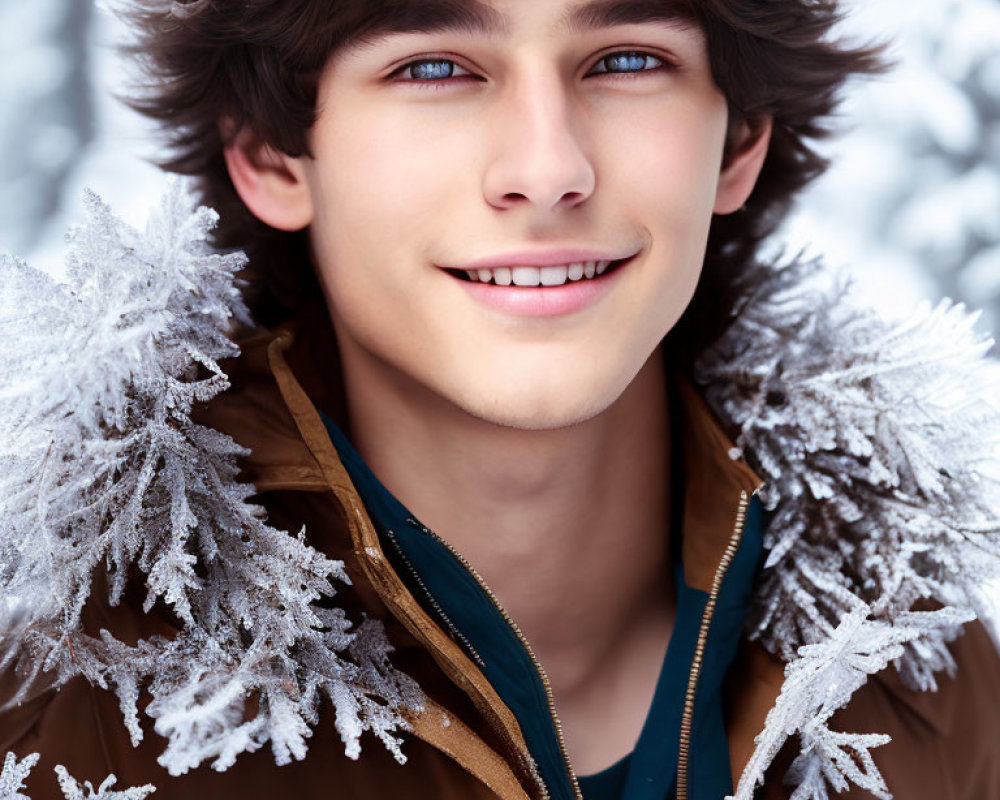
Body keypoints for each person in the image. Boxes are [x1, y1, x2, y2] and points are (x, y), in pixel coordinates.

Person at [2, 1, 999, 799]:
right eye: (433, 67)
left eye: (625, 60)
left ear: (735, 144)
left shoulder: (920, 668)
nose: (546, 169)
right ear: (272, 154)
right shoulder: (55, 695)